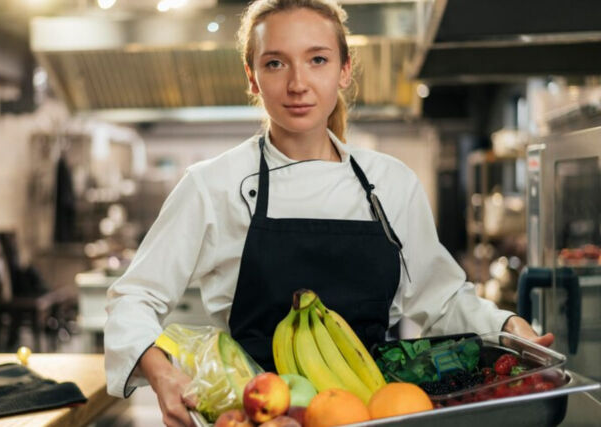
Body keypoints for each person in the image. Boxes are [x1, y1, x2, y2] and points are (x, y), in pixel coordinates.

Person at [104, 1, 553, 425]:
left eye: (317, 59)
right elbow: (134, 297)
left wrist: (508, 326)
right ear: (253, 77)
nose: (297, 83)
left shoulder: (390, 182)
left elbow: (443, 297)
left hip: (375, 409)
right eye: (275, 63)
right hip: (256, 414)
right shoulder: (212, 185)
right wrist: (163, 377)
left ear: (344, 70)